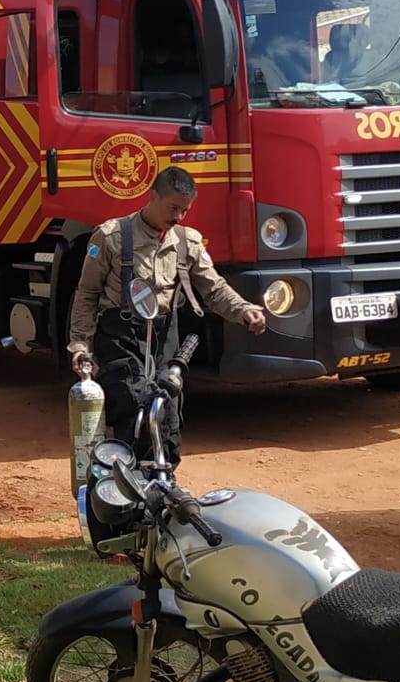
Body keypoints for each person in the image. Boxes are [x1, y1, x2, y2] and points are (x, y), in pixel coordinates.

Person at [67, 167, 267, 465]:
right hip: (121, 336)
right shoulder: (111, 236)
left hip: (165, 336)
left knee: (168, 414)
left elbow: (214, 289)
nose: (179, 217)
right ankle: (126, 484)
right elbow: (87, 293)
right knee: (137, 407)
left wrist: (244, 310)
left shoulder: (187, 241)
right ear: (153, 196)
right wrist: (80, 344)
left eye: (185, 210)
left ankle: (163, 482)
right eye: (173, 208)